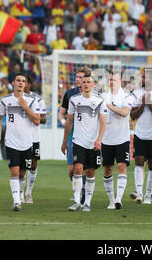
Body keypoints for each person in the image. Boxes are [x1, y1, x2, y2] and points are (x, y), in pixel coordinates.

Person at [61, 73, 107, 212]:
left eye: (89, 82)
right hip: (78, 140)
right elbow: (69, 121)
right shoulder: (74, 100)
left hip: (93, 142)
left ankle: (87, 202)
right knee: (78, 169)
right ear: (81, 84)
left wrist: (99, 139)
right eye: (84, 82)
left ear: (93, 84)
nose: (86, 84)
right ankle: (76, 201)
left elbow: (103, 122)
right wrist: (65, 141)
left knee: (90, 172)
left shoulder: (100, 101)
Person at [0, 73, 41, 212]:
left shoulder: (33, 101)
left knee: (22, 173)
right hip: (11, 142)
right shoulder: (5, 100)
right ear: (13, 83)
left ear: (26, 84)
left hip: (27, 142)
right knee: (14, 171)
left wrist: (25, 107)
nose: (21, 83)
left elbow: (37, 120)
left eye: (23, 81)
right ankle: (16, 201)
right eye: (18, 81)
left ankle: (20, 194)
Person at [129, 69, 152, 204]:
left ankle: (148, 195)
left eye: (146, 77)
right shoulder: (136, 94)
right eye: (143, 77)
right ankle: (139, 193)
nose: (143, 79)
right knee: (139, 162)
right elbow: (133, 116)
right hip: (140, 134)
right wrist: (143, 104)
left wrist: (149, 104)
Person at [101, 72, 133, 210]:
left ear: (121, 81)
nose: (112, 82)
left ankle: (119, 199)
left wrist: (108, 106)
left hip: (122, 139)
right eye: (110, 80)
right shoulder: (102, 96)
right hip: (106, 139)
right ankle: (111, 200)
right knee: (107, 170)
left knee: (121, 167)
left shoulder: (127, 96)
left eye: (115, 80)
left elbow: (125, 112)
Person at [59, 66, 91, 203]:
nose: (78, 79)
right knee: (71, 169)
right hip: (73, 133)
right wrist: (64, 122)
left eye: (81, 77)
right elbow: (61, 114)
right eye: (76, 77)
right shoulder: (69, 94)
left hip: (88, 133)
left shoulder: (93, 95)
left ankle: (82, 194)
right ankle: (78, 190)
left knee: (85, 168)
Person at [23, 76, 47, 204]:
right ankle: (19, 193)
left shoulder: (38, 99)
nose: (22, 84)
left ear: (29, 84)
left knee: (33, 165)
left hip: (34, 137)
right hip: (20, 137)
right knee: (21, 166)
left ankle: (28, 192)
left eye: (25, 82)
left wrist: (32, 116)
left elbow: (43, 119)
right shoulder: (14, 99)